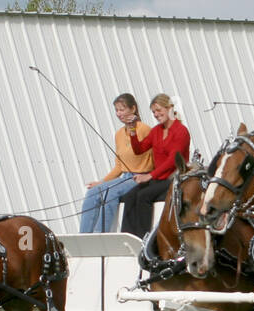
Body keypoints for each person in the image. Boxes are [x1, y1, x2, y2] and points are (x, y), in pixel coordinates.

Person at [79, 93, 153, 232]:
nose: (119, 114)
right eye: (117, 110)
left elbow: (154, 156)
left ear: (133, 109)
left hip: (139, 177)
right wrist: (102, 182)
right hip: (124, 177)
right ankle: (83, 236)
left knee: (109, 194)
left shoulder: (144, 129)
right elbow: (119, 166)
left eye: (122, 109)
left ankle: (100, 235)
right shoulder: (119, 134)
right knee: (92, 193)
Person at [120, 94, 191, 238]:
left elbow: (172, 160)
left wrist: (149, 175)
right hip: (159, 178)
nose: (156, 114)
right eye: (154, 112)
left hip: (173, 178)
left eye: (159, 110)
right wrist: (133, 131)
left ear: (169, 108)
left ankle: (143, 237)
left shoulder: (181, 131)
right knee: (129, 196)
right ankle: (127, 236)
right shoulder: (156, 131)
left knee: (143, 196)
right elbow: (139, 149)